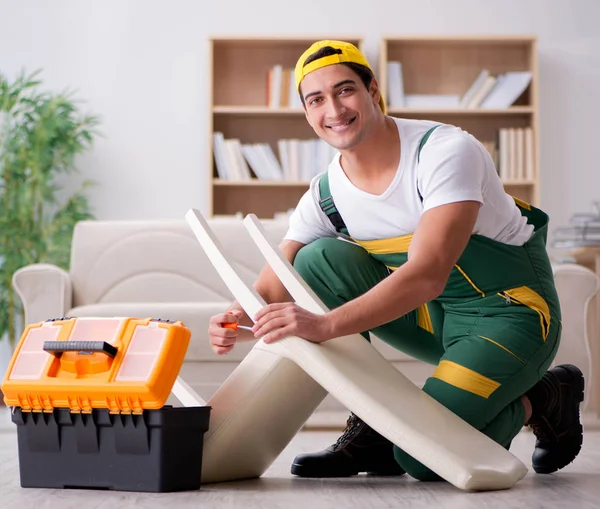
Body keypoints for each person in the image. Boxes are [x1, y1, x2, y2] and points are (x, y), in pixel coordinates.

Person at [208, 40, 584, 481]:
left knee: (422, 459)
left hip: (511, 315)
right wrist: (239, 317)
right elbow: (276, 285)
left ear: (373, 91)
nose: (334, 109)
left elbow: (427, 274)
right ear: (308, 114)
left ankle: (543, 397)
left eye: (345, 90)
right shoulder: (326, 193)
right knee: (316, 261)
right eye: (316, 99)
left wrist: (326, 325)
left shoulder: (443, 151)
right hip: (437, 320)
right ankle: (373, 424)